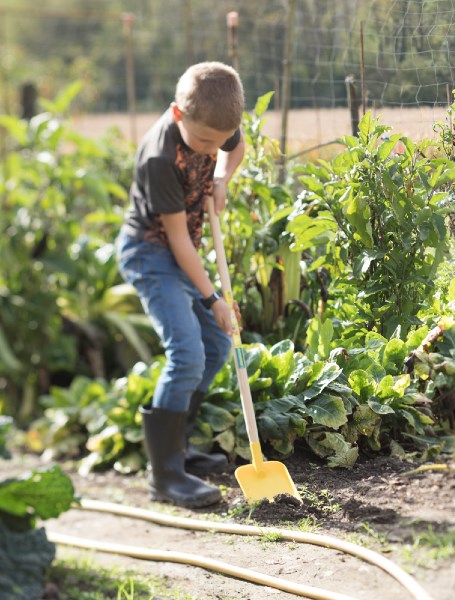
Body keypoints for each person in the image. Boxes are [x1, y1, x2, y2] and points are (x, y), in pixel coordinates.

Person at [115, 62, 246, 508]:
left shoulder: (215, 122)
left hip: (180, 250)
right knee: (186, 351)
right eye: (204, 141)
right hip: (151, 253)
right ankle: (165, 475)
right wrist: (213, 298)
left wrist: (222, 178)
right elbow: (176, 241)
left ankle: (179, 447)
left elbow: (236, 146)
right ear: (177, 113)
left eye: (217, 140)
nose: (212, 148)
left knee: (214, 347)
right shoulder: (159, 157)